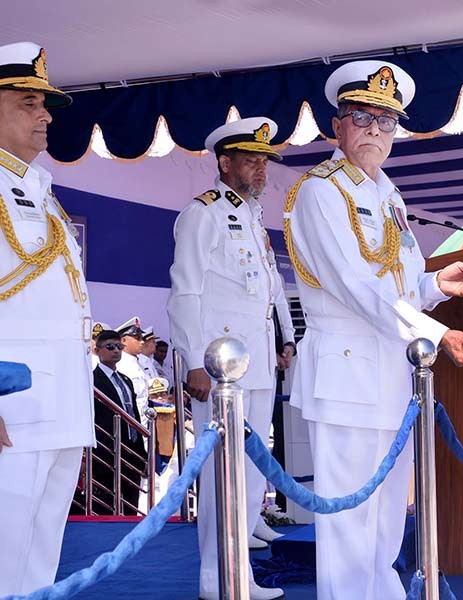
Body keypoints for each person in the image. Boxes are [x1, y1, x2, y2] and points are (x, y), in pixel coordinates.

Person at [283, 60, 463, 600]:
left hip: (393, 374)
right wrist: (438, 335)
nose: (375, 130)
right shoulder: (320, 191)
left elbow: (396, 285)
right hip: (347, 376)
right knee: (351, 521)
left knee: (388, 518)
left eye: (386, 121)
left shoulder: (386, 192)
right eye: (362, 117)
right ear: (337, 126)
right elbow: (354, 286)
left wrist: (438, 282)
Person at [167, 116, 296, 600]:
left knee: (251, 469)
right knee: (224, 475)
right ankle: (218, 577)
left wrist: (283, 338)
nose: (261, 169)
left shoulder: (251, 214)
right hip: (219, 370)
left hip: (255, 362)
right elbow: (185, 293)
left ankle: (237, 567)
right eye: (251, 160)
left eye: (264, 161)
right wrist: (194, 361)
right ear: (224, 163)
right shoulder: (203, 214)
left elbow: (267, 290)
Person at [0, 42, 94, 596]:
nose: (45, 116)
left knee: (38, 559)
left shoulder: (41, 189)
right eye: (29, 102)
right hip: (13, 405)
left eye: (46, 105)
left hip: (59, 402)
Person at [92, 330, 148, 515]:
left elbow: (134, 417)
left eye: (119, 347)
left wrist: (142, 453)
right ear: (97, 349)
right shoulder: (92, 380)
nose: (115, 351)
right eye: (110, 347)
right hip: (106, 452)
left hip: (131, 451)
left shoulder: (126, 380)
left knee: (131, 505)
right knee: (106, 507)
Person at [115, 317, 151, 428]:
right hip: (130, 424)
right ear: (123, 341)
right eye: (137, 338)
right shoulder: (120, 364)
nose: (142, 342)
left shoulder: (138, 363)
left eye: (142, 338)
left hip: (143, 421)